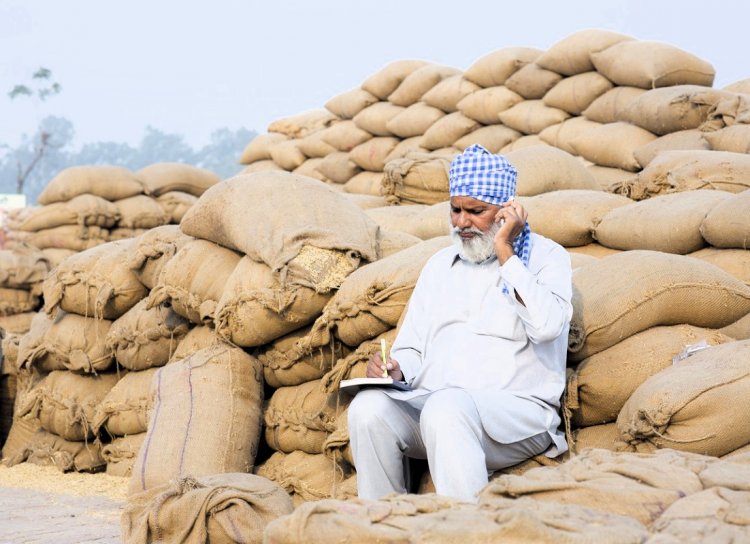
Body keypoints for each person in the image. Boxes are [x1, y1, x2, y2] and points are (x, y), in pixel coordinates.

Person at [347, 144, 573, 502]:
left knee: (447, 406)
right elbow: (413, 344)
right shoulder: (439, 264)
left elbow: (547, 326)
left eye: (476, 211)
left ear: (506, 212)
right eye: (455, 210)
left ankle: (463, 529)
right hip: (433, 409)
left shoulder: (546, 258)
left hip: (516, 416)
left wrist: (505, 251)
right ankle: (383, 525)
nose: (462, 222)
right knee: (367, 408)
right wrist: (396, 369)